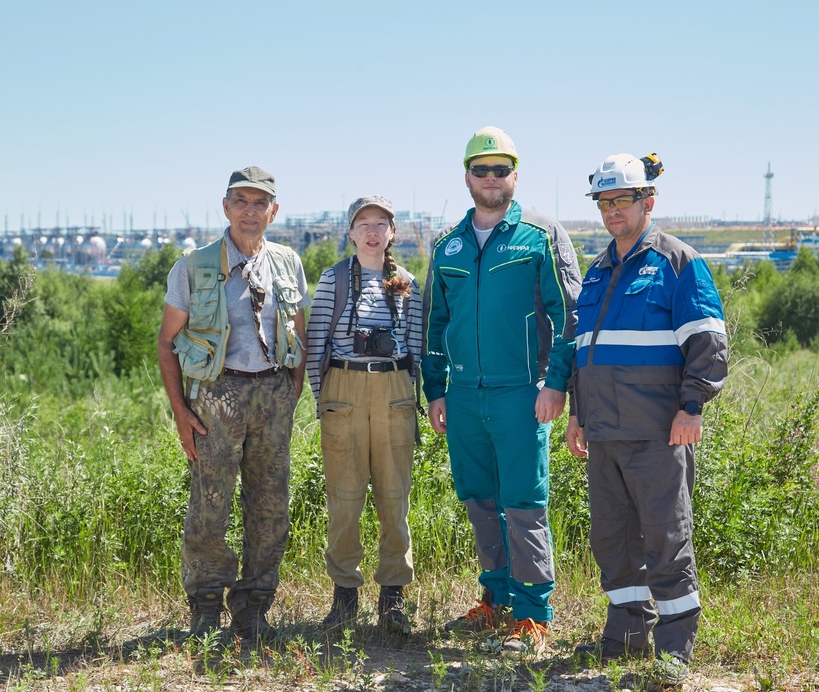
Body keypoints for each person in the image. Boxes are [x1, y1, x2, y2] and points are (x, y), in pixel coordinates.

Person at [565, 153, 728, 686]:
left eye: (621, 201)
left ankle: (676, 644)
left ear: (647, 202)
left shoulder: (678, 262)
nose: (611, 211)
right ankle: (626, 631)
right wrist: (578, 416)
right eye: (604, 202)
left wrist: (692, 406)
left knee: (665, 535)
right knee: (611, 537)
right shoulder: (597, 270)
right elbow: (584, 350)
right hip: (604, 432)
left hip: (659, 430)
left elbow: (708, 341)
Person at [422, 127, 581, 656]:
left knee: (523, 501)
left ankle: (533, 613)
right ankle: (495, 597)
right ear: (466, 176)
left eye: (501, 169)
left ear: (515, 174)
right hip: (464, 397)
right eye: (481, 170)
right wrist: (435, 390)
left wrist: (555, 382)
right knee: (479, 498)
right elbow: (435, 323)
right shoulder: (448, 245)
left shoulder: (540, 235)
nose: (491, 179)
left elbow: (568, 316)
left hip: (521, 393)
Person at [157, 166, 310, 643]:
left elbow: (299, 334)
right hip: (215, 395)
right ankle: (205, 605)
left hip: (272, 393)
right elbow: (166, 342)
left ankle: (254, 606)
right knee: (210, 505)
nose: (250, 211)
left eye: (259, 202)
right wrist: (182, 412)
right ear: (225, 207)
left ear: (274, 211)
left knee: (271, 506)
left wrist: (292, 390)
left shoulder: (287, 263)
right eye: (240, 201)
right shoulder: (195, 266)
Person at [305, 195, 423, 635]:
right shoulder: (333, 280)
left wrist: (413, 397)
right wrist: (327, 400)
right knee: (345, 498)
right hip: (344, 388)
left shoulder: (408, 282)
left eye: (380, 224)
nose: (372, 231)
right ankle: (345, 597)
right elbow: (316, 344)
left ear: (392, 233)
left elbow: (416, 348)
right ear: (351, 233)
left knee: (395, 498)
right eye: (363, 224)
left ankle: (393, 597)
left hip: (394, 389)